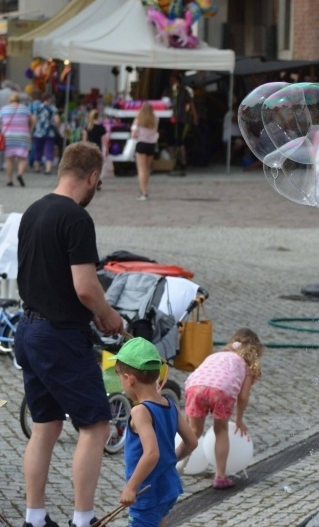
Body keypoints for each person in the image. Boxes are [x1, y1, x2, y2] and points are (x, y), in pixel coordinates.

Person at [15, 141, 125, 527]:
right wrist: (107, 314)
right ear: (92, 177)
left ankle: (35, 517)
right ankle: (83, 520)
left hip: (27, 329)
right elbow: (85, 286)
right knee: (95, 425)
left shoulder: (33, 210)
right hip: (59, 334)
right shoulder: (76, 218)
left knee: (45, 426)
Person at [111, 337, 198, 527]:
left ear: (129, 379)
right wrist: (171, 460)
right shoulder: (171, 405)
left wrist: (131, 488)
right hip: (168, 488)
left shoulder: (140, 411)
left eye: (119, 377)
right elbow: (192, 441)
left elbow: (152, 453)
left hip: (147, 493)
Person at [181, 327, 263, 489]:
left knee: (194, 432)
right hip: (221, 391)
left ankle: (175, 466)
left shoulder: (216, 355)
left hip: (194, 387)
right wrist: (238, 419)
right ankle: (220, 476)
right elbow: (243, 396)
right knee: (221, 430)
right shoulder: (247, 365)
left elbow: (201, 375)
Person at [164, 72, 197, 176]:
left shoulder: (184, 91)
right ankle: (172, 163)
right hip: (169, 119)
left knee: (180, 142)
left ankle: (183, 163)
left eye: (173, 80)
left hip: (180, 119)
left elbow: (191, 103)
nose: (171, 82)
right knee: (170, 142)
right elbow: (163, 102)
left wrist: (195, 116)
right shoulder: (167, 91)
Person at [0, 91, 32, 187]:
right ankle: (20, 174)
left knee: (9, 158)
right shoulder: (25, 109)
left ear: (9, 100)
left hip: (8, 136)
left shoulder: (4, 109)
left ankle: (10, 180)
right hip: (23, 135)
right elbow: (30, 121)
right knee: (23, 157)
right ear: (19, 100)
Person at [131, 102, 159, 201]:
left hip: (141, 144)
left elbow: (133, 134)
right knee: (147, 169)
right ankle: (144, 189)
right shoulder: (155, 120)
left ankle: (144, 192)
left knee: (141, 169)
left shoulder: (138, 120)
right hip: (151, 145)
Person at [32, 93, 60, 176]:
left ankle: (37, 168)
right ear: (49, 99)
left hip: (38, 132)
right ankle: (48, 169)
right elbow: (57, 121)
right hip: (49, 133)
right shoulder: (53, 108)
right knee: (49, 150)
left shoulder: (37, 108)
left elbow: (34, 120)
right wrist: (56, 127)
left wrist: (33, 129)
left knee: (38, 150)